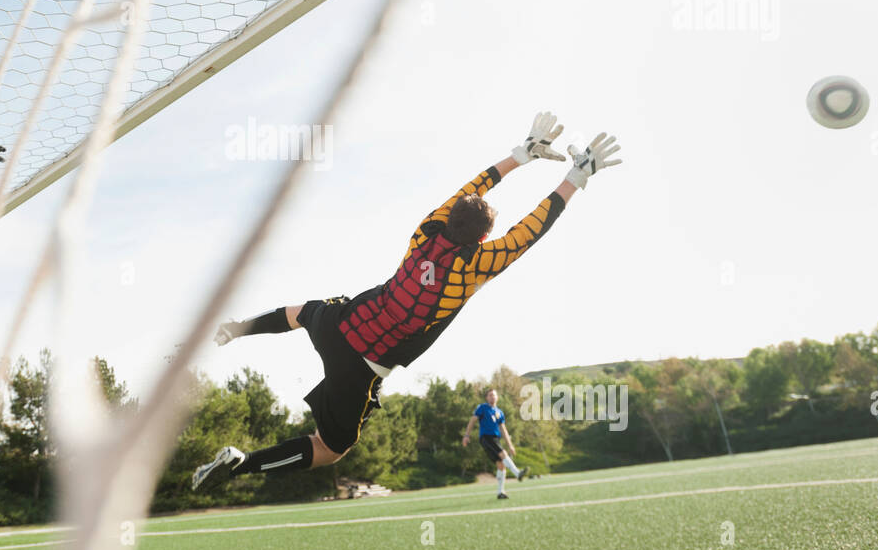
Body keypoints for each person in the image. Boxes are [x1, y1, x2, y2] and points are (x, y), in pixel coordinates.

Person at [192, 113, 620, 491]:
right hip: (362, 364)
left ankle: (236, 329)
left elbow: (472, 189)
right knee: (331, 448)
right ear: (483, 237)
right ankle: (243, 463)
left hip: (343, 321)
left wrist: (519, 156)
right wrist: (578, 175)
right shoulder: (478, 264)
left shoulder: (425, 230)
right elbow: (533, 228)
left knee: (301, 313)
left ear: (450, 218)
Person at [463, 387, 523, 498]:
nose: (492, 397)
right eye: (490, 395)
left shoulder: (499, 412)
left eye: (494, 395)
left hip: (496, 438)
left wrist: (510, 445)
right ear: (486, 398)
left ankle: (500, 492)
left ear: (497, 397)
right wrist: (467, 435)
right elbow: (472, 420)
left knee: (500, 465)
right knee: (503, 454)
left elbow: (503, 429)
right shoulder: (482, 408)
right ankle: (517, 473)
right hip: (486, 437)